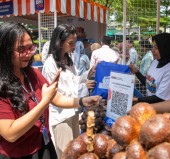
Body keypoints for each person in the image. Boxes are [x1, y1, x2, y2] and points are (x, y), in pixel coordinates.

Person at [0, 22, 100, 159]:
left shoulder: (32, 74)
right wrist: (44, 102)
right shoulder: (2, 86)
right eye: (21, 49)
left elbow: (56, 98)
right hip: (18, 154)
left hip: (42, 144)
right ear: (5, 50)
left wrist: (82, 101)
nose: (28, 53)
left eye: (31, 47)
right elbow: (10, 133)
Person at [42, 24, 96, 158]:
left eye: (74, 43)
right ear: (59, 42)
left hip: (73, 112)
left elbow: (74, 80)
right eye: (70, 43)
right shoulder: (50, 64)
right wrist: (84, 87)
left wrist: (87, 75)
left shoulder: (68, 60)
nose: (73, 46)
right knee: (66, 153)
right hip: (61, 116)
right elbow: (58, 95)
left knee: (76, 151)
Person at [130, 33, 170, 103]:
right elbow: (148, 83)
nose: (153, 50)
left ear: (166, 48)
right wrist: (136, 72)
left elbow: (161, 98)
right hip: (152, 108)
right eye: (153, 47)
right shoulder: (155, 62)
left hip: (163, 112)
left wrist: (136, 99)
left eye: (157, 48)